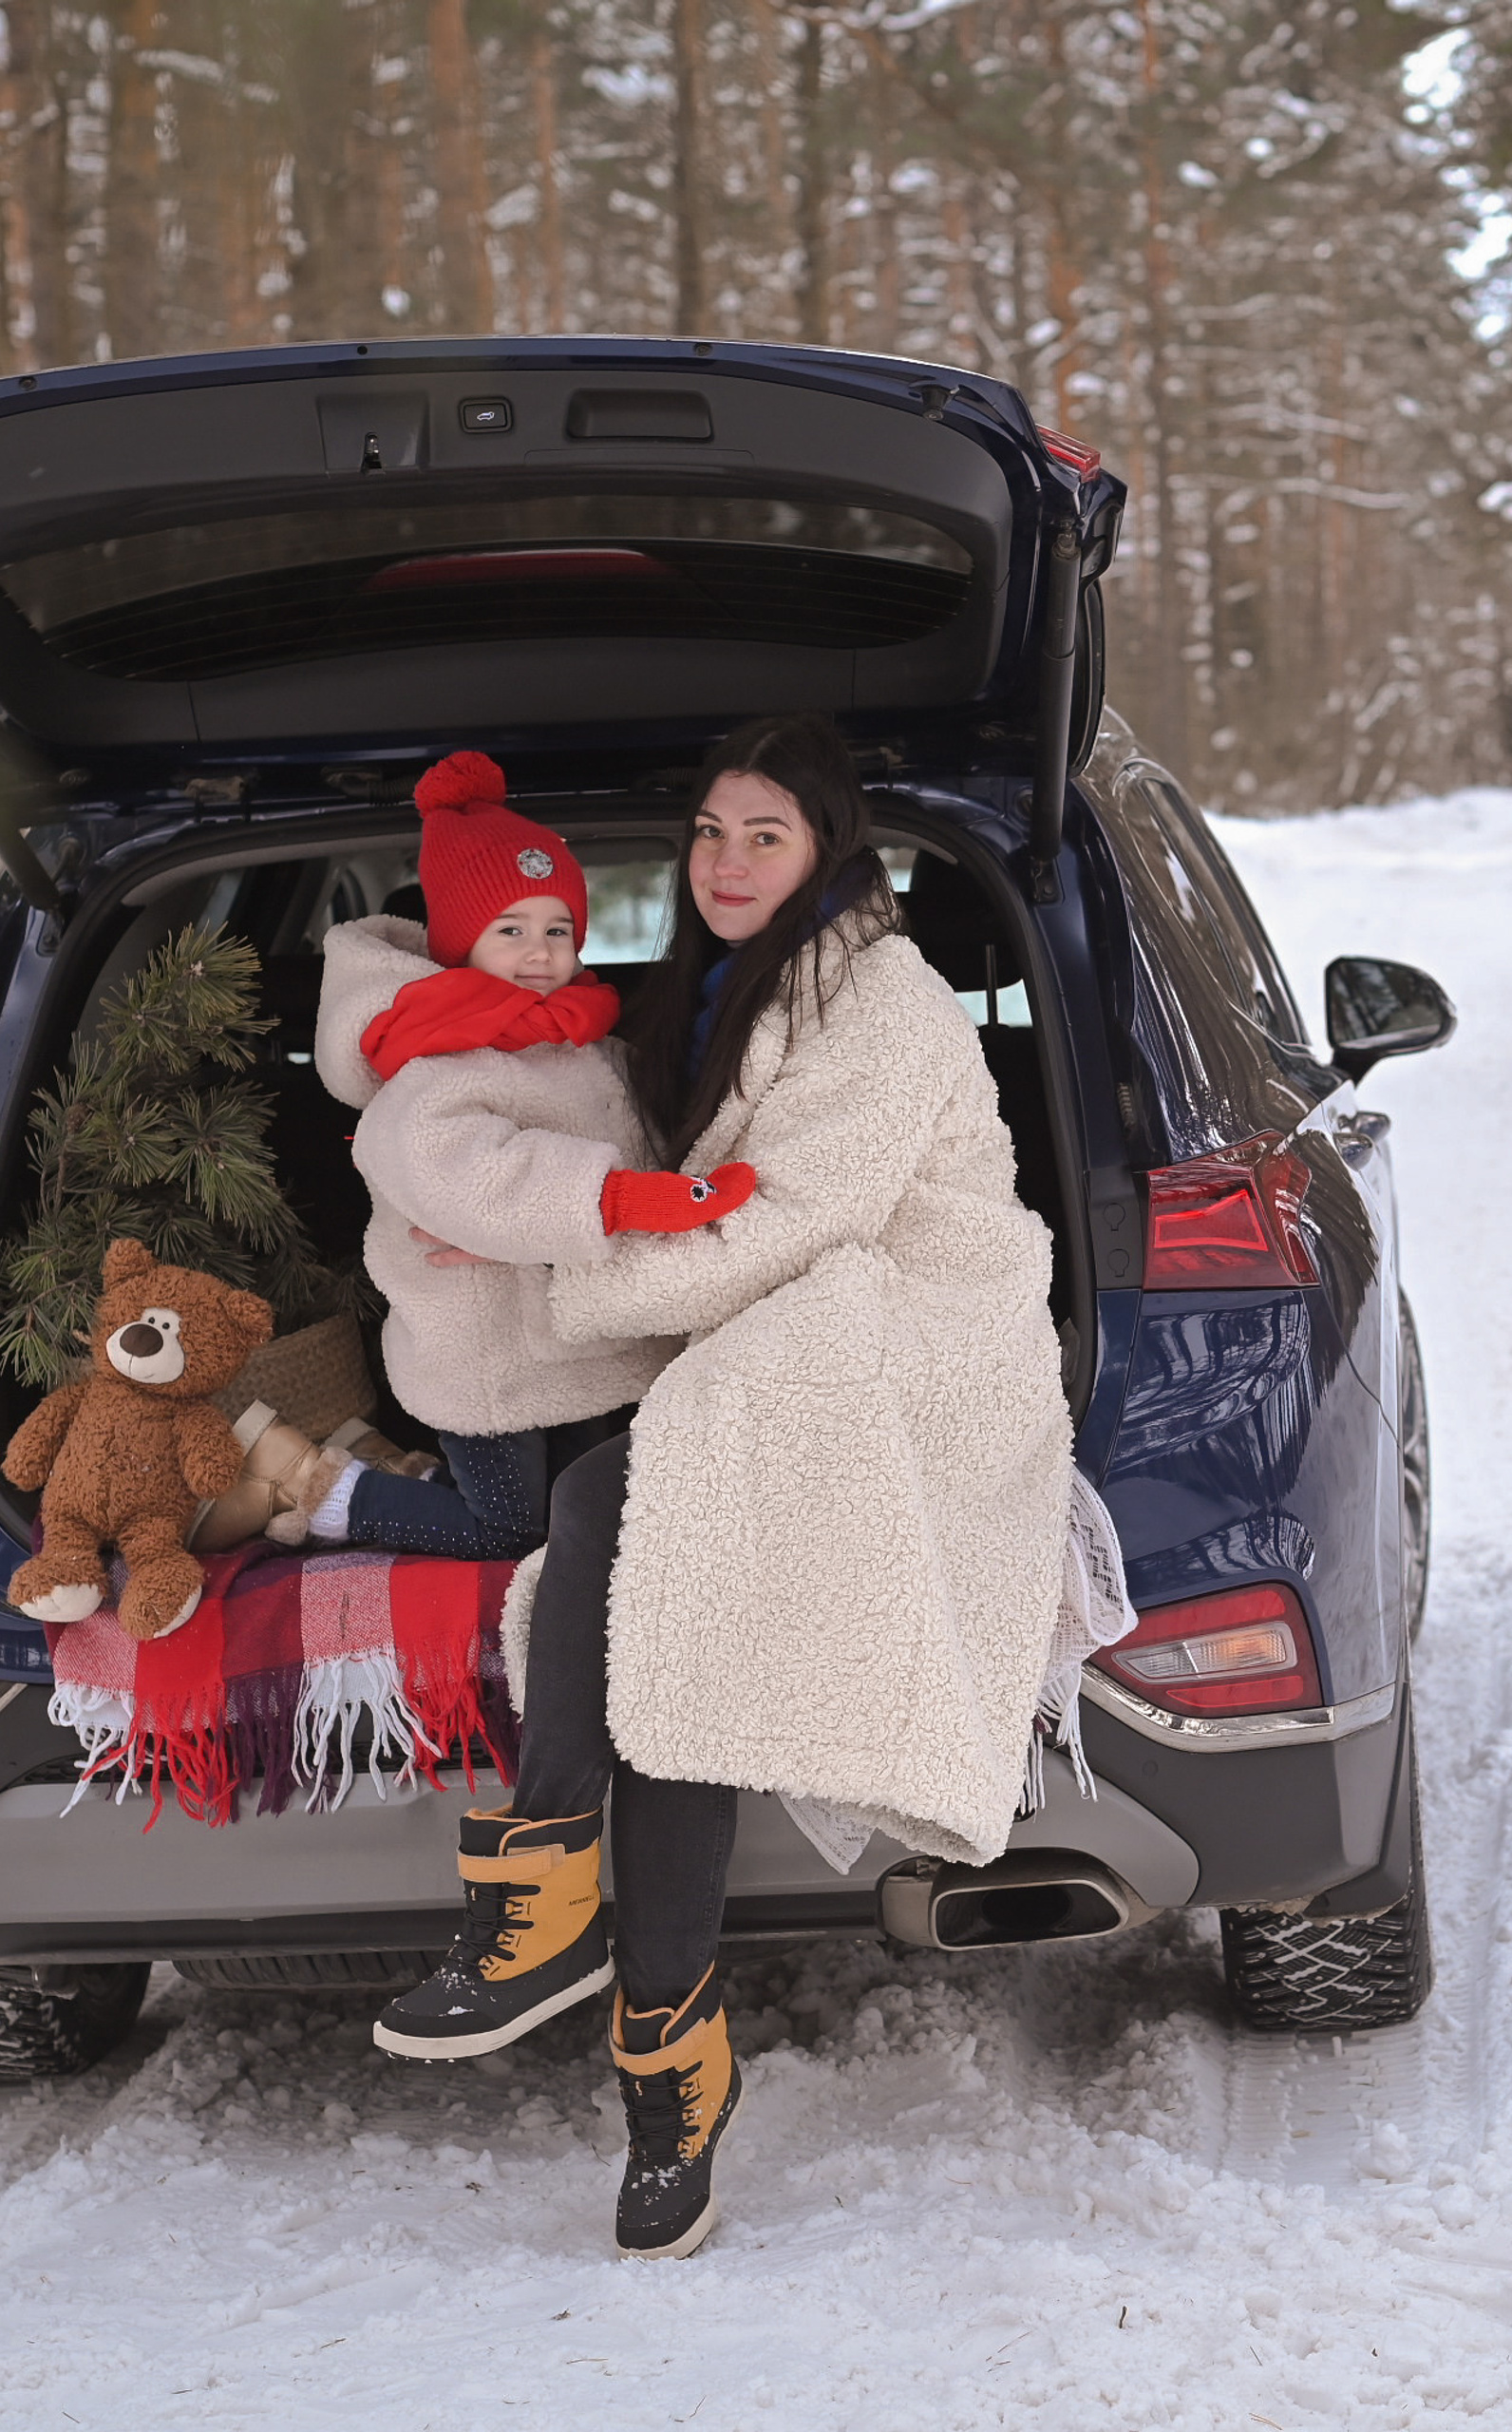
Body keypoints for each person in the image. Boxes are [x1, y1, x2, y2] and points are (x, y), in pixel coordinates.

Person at [371, 714, 1073, 2264]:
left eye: (766, 834)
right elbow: (624, 1175)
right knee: (656, 1612)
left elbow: (791, 1218)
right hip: (776, 1330)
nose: (727, 861)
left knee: (622, 1513)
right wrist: (486, 1235)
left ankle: (550, 1906)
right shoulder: (714, 989)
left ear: (826, 849)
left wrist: (558, 1289)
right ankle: (666, 2064)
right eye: (708, 832)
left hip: (908, 1332)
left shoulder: (882, 996)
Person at [207, 751, 757, 1558]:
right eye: (511, 931)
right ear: (463, 943)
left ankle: (400, 1474)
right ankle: (323, 1489)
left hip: (584, 1342)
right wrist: (619, 1201)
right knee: (510, 1528)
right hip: (483, 1351)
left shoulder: (594, 1048)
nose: (540, 951)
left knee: (585, 1513)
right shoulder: (434, 1062)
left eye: (558, 930)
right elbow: (465, 1172)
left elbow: (652, 1143)